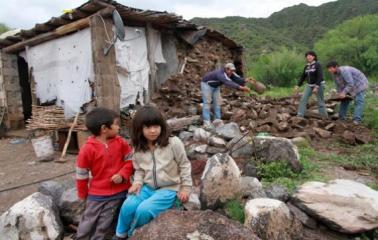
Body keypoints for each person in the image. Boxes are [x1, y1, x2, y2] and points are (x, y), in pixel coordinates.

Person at [114, 105, 192, 239]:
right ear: (139, 129)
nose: (153, 131)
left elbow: (184, 165)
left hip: (169, 188)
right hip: (147, 187)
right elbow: (139, 169)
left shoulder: (173, 143)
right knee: (128, 206)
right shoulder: (139, 147)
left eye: (156, 126)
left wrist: (185, 188)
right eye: (147, 127)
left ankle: (133, 234)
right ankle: (119, 234)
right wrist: (137, 182)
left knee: (144, 210)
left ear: (162, 126)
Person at [75, 107, 134, 240]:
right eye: (116, 124)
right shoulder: (87, 149)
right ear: (104, 128)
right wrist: (83, 195)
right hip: (97, 194)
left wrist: (123, 174)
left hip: (120, 191)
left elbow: (130, 160)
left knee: (105, 223)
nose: (119, 127)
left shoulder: (121, 143)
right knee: (88, 221)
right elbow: (81, 174)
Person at [201, 63, 250, 128]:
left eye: (233, 71)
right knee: (207, 102)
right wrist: (241, 88)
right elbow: (228, 82)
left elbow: (237, 79)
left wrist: (245, 80)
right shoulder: (220, 74)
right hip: (206, 85)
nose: (232, 72)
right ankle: (206, 123)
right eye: (231, 70)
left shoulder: (231, 73)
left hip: (215, 86)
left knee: (217, 103)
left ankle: (217, 121)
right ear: (226, 69)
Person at [294, 51, 328, 118]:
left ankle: (324, 117)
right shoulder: (307, 66)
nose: (308, 57)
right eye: (307, 56)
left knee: (320, 101)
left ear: (314, 57)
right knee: (303, 99)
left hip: (319, 84)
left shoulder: (318, 64)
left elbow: (320, 76)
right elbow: (303, 76)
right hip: (309, 85)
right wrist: (298, 85)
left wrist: (317, 86)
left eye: (310, 55)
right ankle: (299, 116)